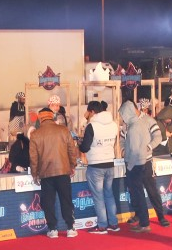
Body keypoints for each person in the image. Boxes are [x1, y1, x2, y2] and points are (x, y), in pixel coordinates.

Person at [29, 106, 80, 237]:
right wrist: (72, 165)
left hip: (46, 174)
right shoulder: (63, 130)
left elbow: (33, 157)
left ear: (40, 118)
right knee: (66, 200)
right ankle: (70, 227)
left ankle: (52, 229)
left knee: (48, 203)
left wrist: (35, 174)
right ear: (52, 116)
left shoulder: (35, 134)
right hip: (63, 171)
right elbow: (72, 150)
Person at [78, 100, 120, 233]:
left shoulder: (92, 126)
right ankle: (114, 224)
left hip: (96, 164)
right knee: (109, 194)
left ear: (92, 112)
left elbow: (85, 147)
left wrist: (79, 143)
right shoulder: (114, 124)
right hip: (110, 163)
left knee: (98, 197)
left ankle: (102, 225)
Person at [119, 99, 158, 233]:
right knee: (139, 194)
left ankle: (144, 223)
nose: (122, 117)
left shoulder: (134, 127)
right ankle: (143, 222)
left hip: (135, 165)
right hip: (139, 163)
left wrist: (130, 165)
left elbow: (135, 150)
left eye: (123, 114)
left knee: (139, 195)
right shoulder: (136, 124)